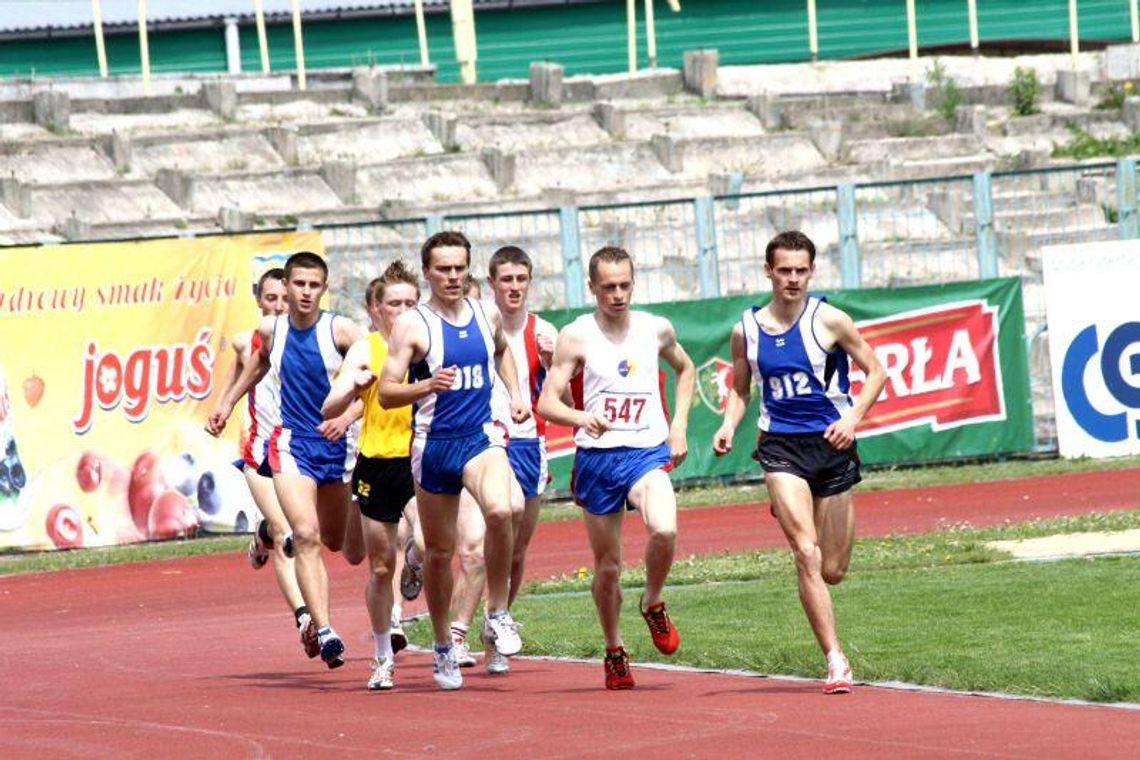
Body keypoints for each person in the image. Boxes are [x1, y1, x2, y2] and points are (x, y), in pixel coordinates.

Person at [711, 230, 886, 695]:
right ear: (768, 271)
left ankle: (801, 504)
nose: (792, 279)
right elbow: (740, 390)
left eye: (800, 270)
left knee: (833, 568)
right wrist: (729, 425)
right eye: (784, 270)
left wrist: (852, 416)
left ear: (811, 271)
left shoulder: (829, 320)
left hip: (831, 446)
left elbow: (876, 372)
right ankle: (836, 660)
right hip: (781, 447)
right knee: (805, 553)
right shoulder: (744, 330)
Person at [537, 245, 695, 691]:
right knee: (607, 566)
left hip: (645, 452)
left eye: (625, 284)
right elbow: (547, 402)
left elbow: (686, 370)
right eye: (609, 287)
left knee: (663, 529)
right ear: (592, 288)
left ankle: (653, 600)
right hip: (598, 458)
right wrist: (580, 417)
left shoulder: (655, 328)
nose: (618, 294)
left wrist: (679, 425)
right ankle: (613, 648)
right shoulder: (577, 335)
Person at [378, 230, 529, 691]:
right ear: (427, 273)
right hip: (433, 445)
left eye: (459, 268)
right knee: (440, 554)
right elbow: (386, 392)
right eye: (443, 269)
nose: (452, 276)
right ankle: (444, 643)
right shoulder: (413, 326)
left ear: (469, 268)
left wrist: (515, 393)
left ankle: (498, 612)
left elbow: (502, 354)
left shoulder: (487, 314)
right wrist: (426, 386)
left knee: (503, 510)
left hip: (480, 437)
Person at [207, 250, 366, 670]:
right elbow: (256, 365)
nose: (306, 293)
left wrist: (348, 416)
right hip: (290, 443)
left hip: (335, 446)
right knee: (304, 534)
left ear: (324, 288)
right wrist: (227, 404)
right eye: (300, 284)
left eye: (315, 285)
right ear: (286, 285)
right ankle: (325, 629)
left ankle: (271, 541)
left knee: (333, 539)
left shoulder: (342, 331)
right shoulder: (271, 330)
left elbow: (377, 376)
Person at [323, 261, 423, 691]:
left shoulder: (428, 344)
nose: (402, 311)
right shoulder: (366, 348)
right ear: (376, 309)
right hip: (377, 462)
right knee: (379, 567)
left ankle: (417, 563)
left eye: (410, 303)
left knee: (425, 537)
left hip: (419, 457)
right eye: (394, 303)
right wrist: (351, 387)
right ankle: (382, 655)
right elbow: (329, 406)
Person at [218, 268, 317, 658]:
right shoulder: (248, 342)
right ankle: (306, 618)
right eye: (271, 299)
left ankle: (259, 535)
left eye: (284, 298)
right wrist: (223, 407)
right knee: (286, 533)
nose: (278, 305)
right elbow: (235, 379)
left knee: (307, 530)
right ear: (259, 300)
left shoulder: (314, 340)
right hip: (259, 446)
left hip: (301, 447)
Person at [481, 244, 557, 675]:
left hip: (529, 442)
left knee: (517, 545)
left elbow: (563, 395)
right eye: (505, 279)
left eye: (520, 279)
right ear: (492, 283)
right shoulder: (475, 325)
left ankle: (496, 625)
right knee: (482, 538)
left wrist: (551, 362)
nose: (514, 287)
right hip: (486, 441)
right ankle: (458, 628)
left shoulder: (545, 332)